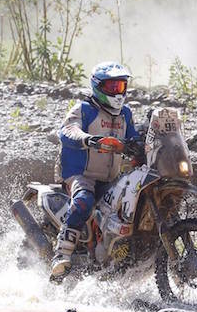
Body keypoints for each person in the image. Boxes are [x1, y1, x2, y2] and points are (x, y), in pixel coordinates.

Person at [51, 61, 141, 280]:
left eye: (121, 87)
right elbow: (67, 131)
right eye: (112, 87)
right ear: (98, 87)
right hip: (81, 175)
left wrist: (141, 145)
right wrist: (88, 139)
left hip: (112, 178)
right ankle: (61, 254)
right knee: (83, 201)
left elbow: (135, 138)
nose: (118, 92)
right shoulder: (84, 110)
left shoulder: (125, 114)